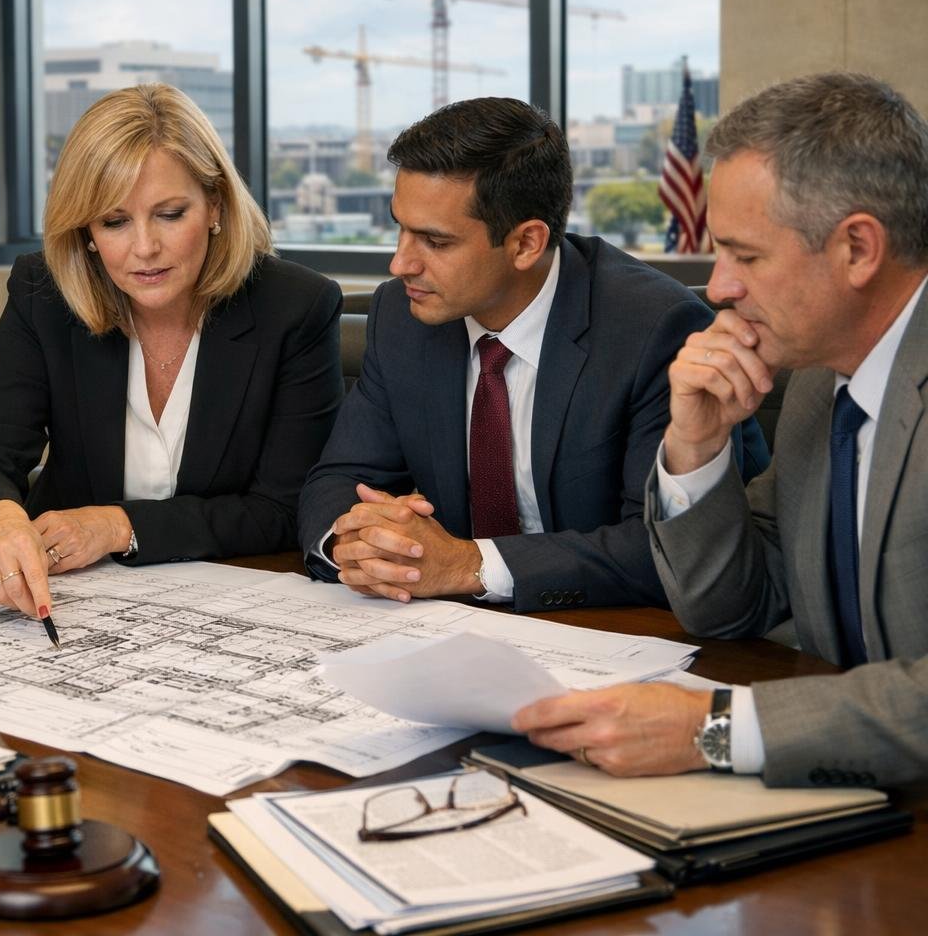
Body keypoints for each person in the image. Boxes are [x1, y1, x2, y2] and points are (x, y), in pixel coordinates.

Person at [514, 73, 928, 787]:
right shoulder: (815, 385)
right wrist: (697, 448)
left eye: (747, 255)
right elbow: (730, 607)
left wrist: (714, 729)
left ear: (859, 248)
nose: (721, 287)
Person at [298, 97, 767, 613]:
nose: (400, 262)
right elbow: (339, 479)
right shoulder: (402, 315)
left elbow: (663, 546)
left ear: (526, 243)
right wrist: (356, 544)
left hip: (611, 633)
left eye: (434, 241)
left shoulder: (654, 328)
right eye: (400, 228)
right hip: (449, 630)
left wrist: (467, 564)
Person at [0, 83, 343, 619]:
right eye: (114, 221)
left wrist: (117, 526)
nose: (145, 248)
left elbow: (283, 508)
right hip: (71, 599)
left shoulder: (295, 306)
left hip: (236, 604)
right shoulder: (44, 293)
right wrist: (0, 521)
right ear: (85, 230)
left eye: (171, 214)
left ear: (215, 205)